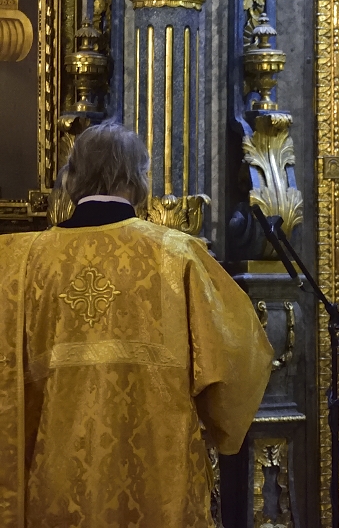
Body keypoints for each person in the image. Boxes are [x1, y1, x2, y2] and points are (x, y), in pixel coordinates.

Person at [0, 122, 274, 527]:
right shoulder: (179, 255)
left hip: (54, 476)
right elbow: (239, 358)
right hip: (158, 479)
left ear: (72, 178)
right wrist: (219, 424)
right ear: (137, 179)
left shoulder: (17, 262)